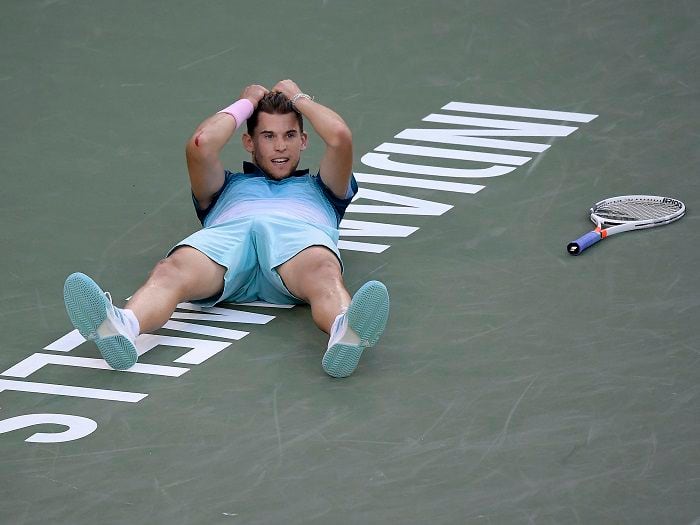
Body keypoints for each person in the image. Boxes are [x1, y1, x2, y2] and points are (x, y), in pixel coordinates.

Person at [63, 79, 389, 378]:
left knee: (323, 272)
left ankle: (344, 330)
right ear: (248, 141)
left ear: (304, 140)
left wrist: (297, 97)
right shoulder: (222, 186)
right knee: (169, 270)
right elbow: (201, 143)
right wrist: (247, 102)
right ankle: (123, 326)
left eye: (290, 135)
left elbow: (339, 137)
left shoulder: (325, 188)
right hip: (227, 246)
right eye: (268, 136)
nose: (280, 147)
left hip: (296, 247)